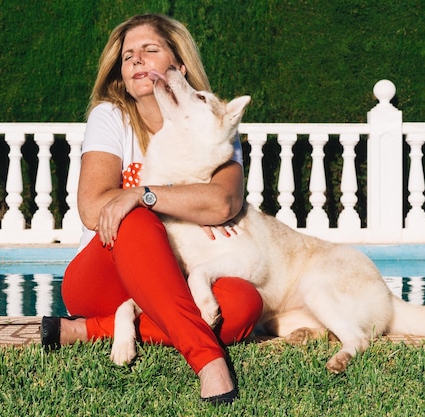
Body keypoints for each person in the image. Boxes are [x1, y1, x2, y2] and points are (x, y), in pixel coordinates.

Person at [40, 13, 263, 405]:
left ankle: (86, 331)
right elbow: (94, 209)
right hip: (100, 278)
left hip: (173, 281)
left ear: (178, 65)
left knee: (243, 304)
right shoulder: (110, 117)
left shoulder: (215, 125)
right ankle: (208, 360)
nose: (137, 61)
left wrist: (140, 192)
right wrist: (170, 204)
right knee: (135, 218)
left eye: (149, 50)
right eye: (128, 57)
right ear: (121, 74)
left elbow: (224, 201)